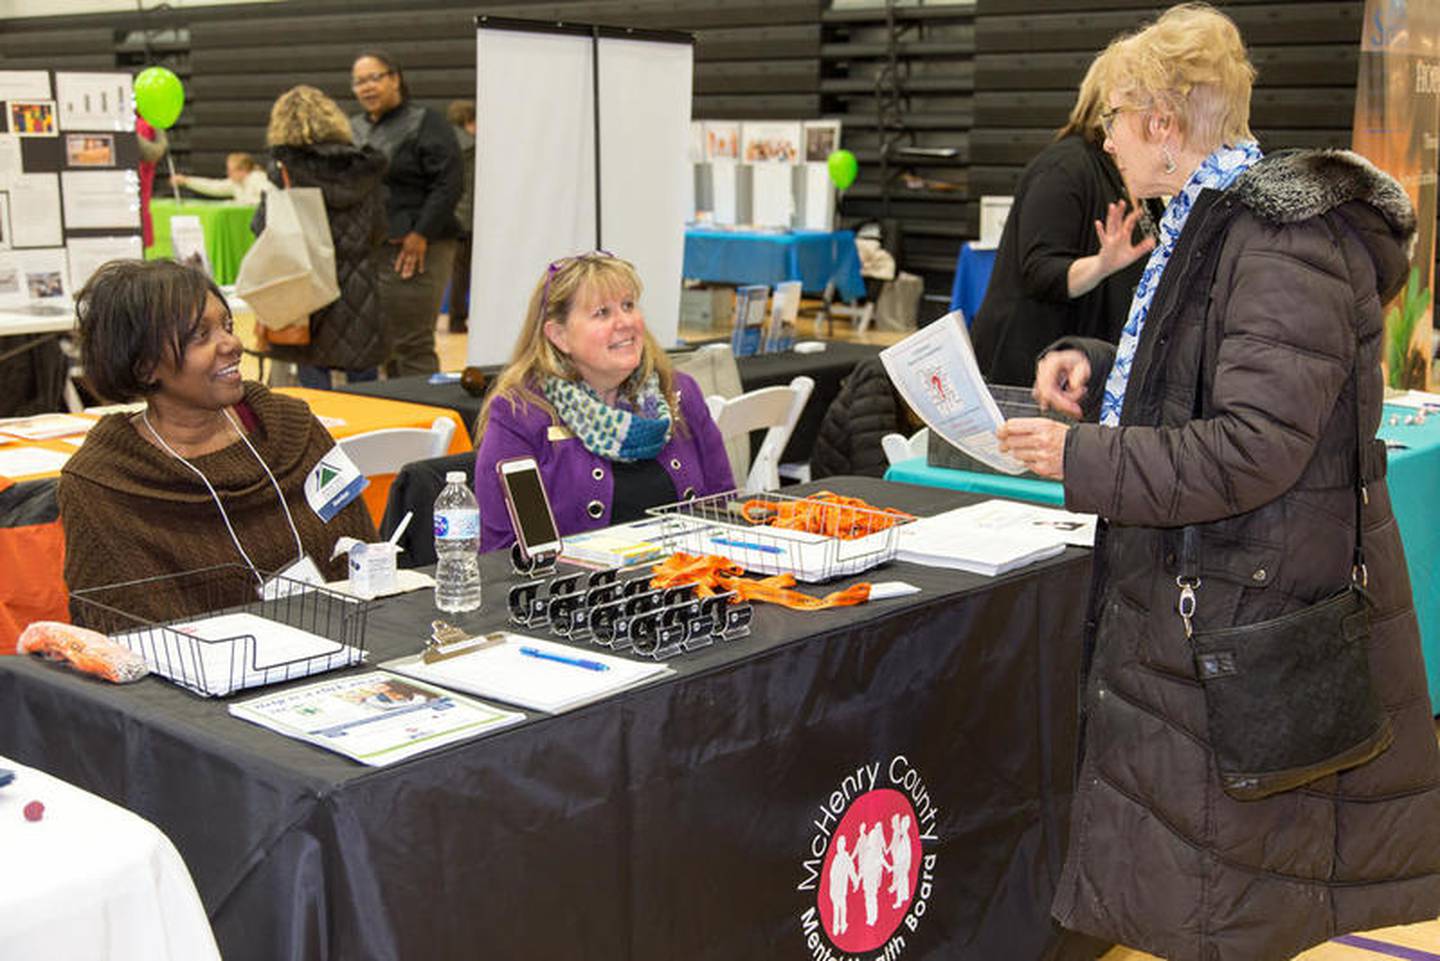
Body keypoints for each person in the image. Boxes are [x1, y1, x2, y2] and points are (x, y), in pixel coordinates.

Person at [995, 6, 1440, 959]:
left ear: (1162, 122)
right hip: (1223, 597)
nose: (1104, 136)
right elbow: (1211, 382)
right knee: (1213, 900)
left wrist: (1082, 459)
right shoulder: (1219, 224)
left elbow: (1251, 449)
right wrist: (1095, 359)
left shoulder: (1278, 240)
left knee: (1231, 902)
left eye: (1115, 115)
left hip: (1245, 611)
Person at [59, 260, 376, 625]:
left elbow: (365, 554)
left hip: (351, 642)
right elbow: (124, 635)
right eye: (200, 336)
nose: (232, 344)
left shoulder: (293, 428)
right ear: (145, 366)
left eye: (226, 325)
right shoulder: (103, 483)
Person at [474, 252, 733, 552]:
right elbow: (506, 549)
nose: (625, 322)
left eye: (628, 305)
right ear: (559, 336)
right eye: (602, 313)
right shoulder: (521, 414)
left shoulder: (679, 393)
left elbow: (722, 506)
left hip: (686, 582)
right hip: (578, 593)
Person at [968, 48, 1156, 388]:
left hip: (1083, 370)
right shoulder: (1065, 168)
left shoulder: (1136, 174)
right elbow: (1041, 272)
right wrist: (1101, 265)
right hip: (1031, 372)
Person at [253, 85, 388, 390]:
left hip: (308, 291)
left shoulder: (286, 171)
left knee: (317, 394)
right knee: (367, 390)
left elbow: (263, 229)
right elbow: (379, 229)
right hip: (360, 288)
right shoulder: (365, 169)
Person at [348, 50, 463, 377]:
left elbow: (449, 183)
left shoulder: (426, 122)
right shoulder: (353, 127)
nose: (367, 88)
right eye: (359, 82)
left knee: (412, 343)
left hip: (419, 247)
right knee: (382, 342)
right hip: (371, 249)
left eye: (374, 78)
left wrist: (421, 233)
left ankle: (425, 420)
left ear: (395, 78)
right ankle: (396, 420)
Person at [446, 99, 476, 335]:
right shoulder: (473, 148)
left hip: (449, 216)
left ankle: (455, 319)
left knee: (457, 271)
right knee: (464, 273)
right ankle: (458, 320)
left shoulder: (444, 144)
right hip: (467, 218)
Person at [171, 152, 271, 205]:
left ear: (243, 170)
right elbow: (213, 186)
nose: (228, 173)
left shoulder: (257, 178)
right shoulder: (236, 183)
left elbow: (270, 198)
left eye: (231, 170)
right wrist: (186, 181)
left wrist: (242, 203)